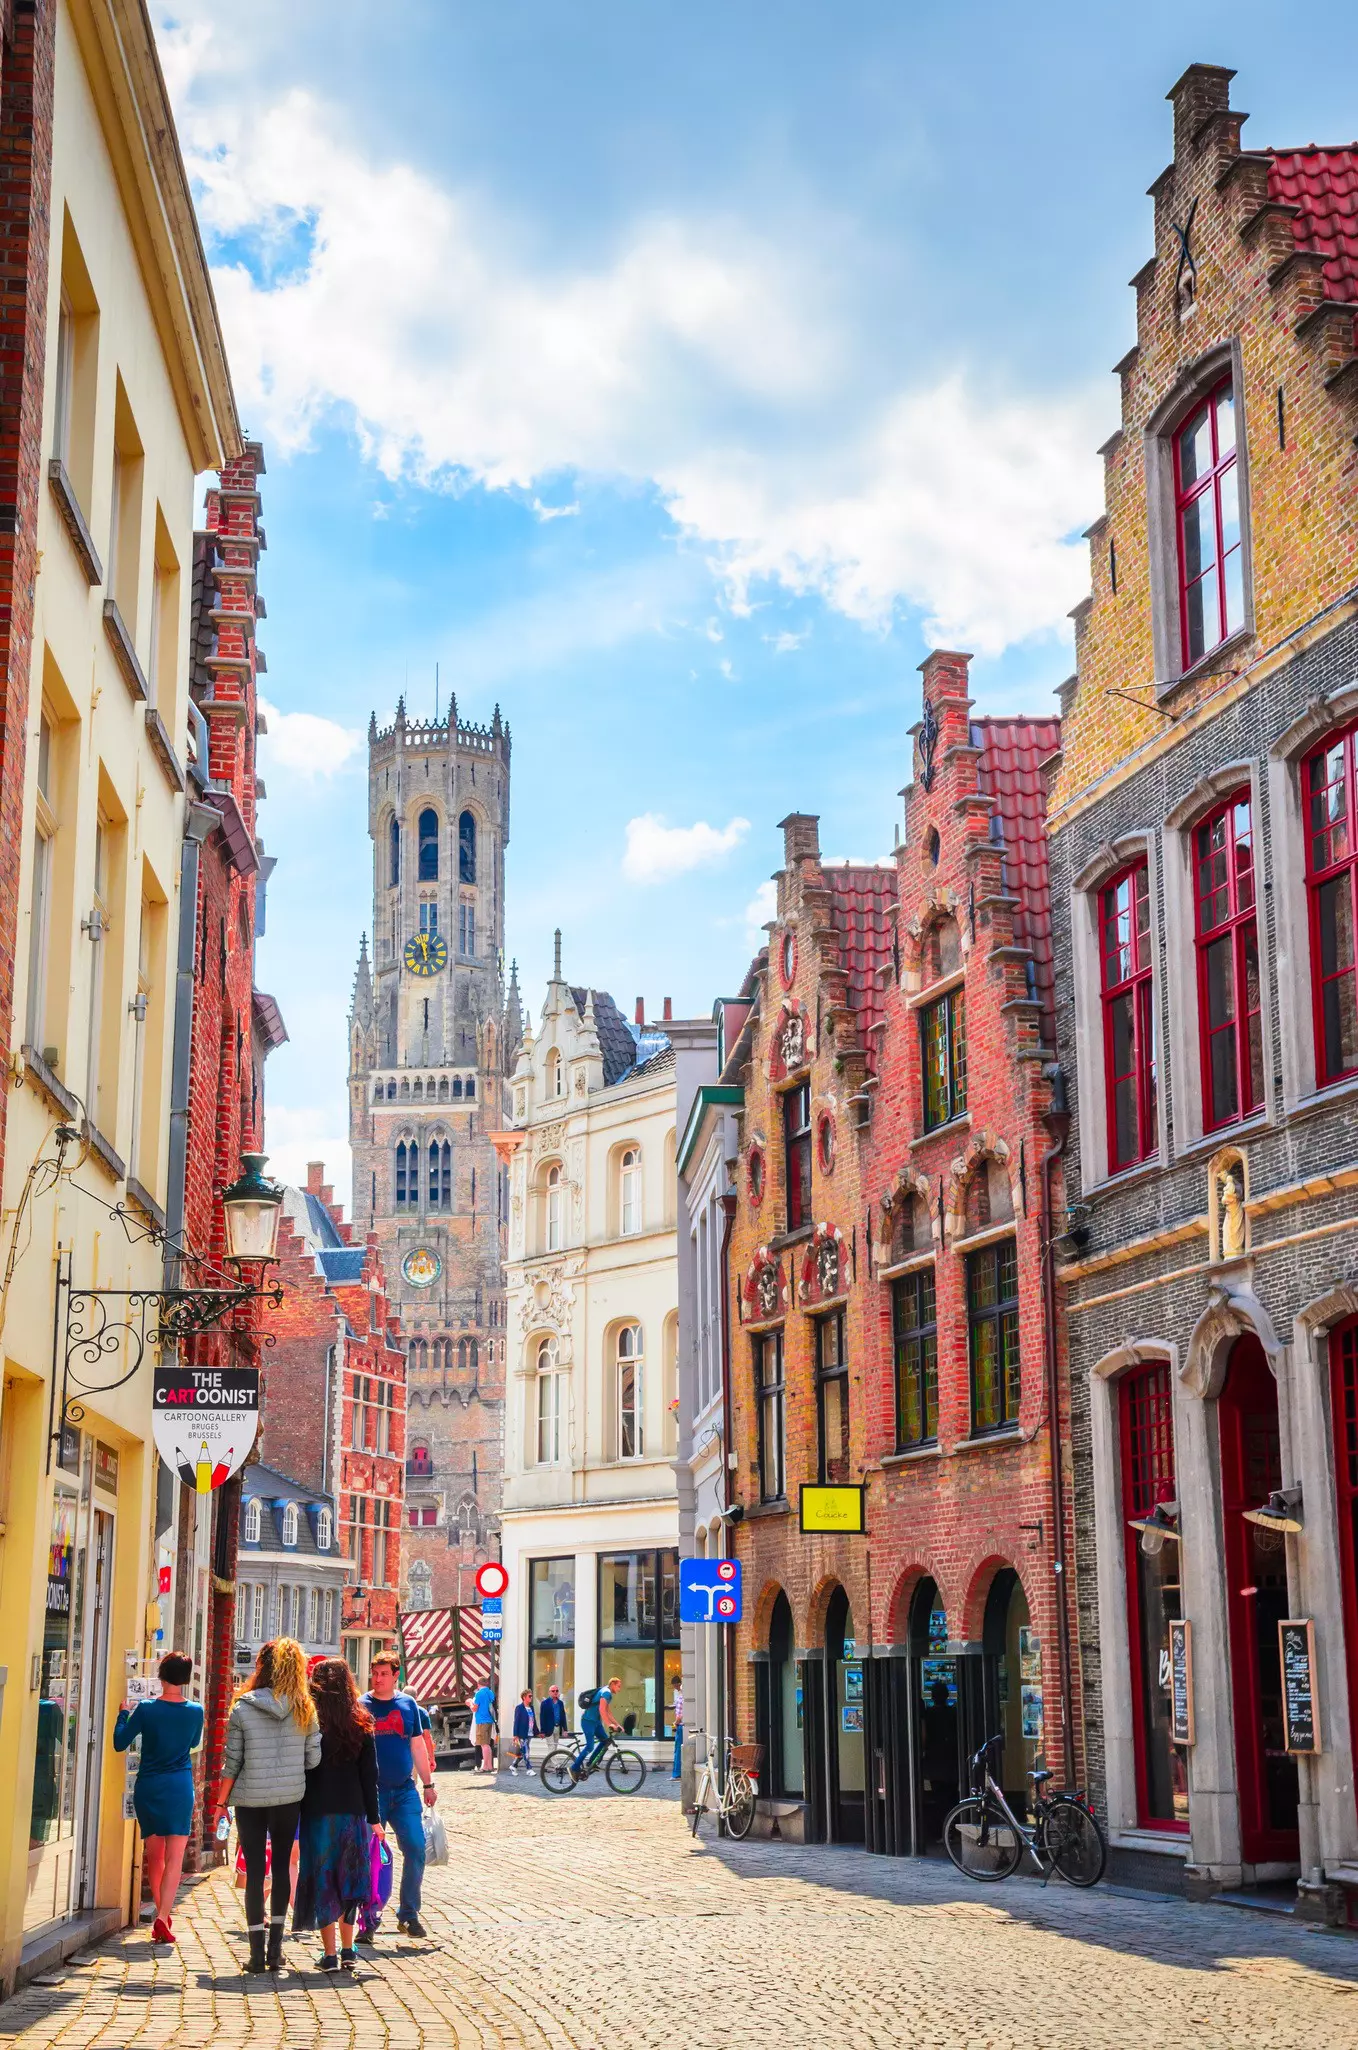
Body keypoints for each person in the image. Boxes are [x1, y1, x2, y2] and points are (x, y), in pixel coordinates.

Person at [217, 1639, 321, 1975]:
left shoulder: (243, 1708)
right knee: (280, 1869)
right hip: (288, 1799)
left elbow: (232, 1762)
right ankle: (277, 1949)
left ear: (261, 1668)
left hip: (250, 1800)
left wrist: (221, 1804)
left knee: (256, 1873)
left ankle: (255, 1954)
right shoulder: (305, 1708)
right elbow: (313, 1759)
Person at [294, 1659, 384, 1973]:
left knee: (323, 1879)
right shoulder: (361, 1721)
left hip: (317, 1811)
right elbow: (369, 1775)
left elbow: (299, 1768)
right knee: (350, 1880)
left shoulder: (307, 1720)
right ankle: (348, 1950)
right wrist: (374, 1818)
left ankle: (329, 1953)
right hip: (352, 1812)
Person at [113, 1652, 203, 1945]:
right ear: (186, 1678)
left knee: (155, 1855)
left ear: (162, 1676)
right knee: (176, 1855)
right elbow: (193, 1743)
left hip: (150, 1785)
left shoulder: (147, 1708)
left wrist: (123, 1713)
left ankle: (160, 1913)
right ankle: (163, 1916)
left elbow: (119, 1742)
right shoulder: (195, 1711)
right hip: (179, 1786)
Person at [361, 1651, 437, 1940]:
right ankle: (367, 1919)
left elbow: (418, 1747)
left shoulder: (408, 1706)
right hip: (373, 1792)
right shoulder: (362, 1705)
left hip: (405, 1790)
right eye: (375, 1673)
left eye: (383, 1674)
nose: (378, 1679)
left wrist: (428, 1785)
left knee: (416, 1849)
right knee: (370, 1856)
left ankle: (408, 1914)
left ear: (396, 1675)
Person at [574, 1675, 622, 1779]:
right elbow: (602, 1710)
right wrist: (610, 1724)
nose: (619, 1689)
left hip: (596, 1723)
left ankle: (591, 1763)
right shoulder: (606, 1692)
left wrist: (617, 1724)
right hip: (588, 1722)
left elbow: (608, 1712)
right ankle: (574, 1768)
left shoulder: (606, 1692)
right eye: (618, 1686)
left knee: (605, 1741)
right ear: (612, 1684)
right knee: (590, 1746)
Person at [470, 1679, 498, 1772]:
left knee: (483, 1744)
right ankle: (489, 1766)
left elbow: (475, 1708)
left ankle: (485, 1767)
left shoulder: (479, 1694)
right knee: (488, 1744)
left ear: (478, 1684)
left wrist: (471, 1705)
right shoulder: (490, 1692)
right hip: (490, 1720)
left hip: (481, 1720)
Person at [510, 1691, 537, 1775]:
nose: (531, 1698)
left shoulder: (531, 1708)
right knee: (526, 1751)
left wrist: (537, 1732)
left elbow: (533, 1721)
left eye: (532, 1696)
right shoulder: (519, 1708)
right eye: (529, 1696)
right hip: (522, 1733)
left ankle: (514, 1766)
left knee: (523, 1751)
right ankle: (529, 1769)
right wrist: (515, 1734)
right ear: (524, 1697)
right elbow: (516, 1721)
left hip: (530, 1733)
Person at [671, 1682, 684, 1781]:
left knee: (678, 1750)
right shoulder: (686, 1699)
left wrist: (675, 1723)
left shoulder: (680, 1699)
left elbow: (679, 1715)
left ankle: (676, 1774)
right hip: (686, 1727)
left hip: (680, 1727)